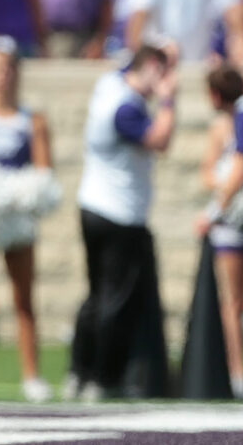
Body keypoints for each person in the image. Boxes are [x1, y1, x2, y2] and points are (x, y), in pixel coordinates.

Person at [69, 45, 176, 399]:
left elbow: (123, 66)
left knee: (97, 295)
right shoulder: (126, 106)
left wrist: (163, 54)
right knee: (116, 301)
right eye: (161, 71)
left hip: (93, 205)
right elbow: (160, 139)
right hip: (119, 213)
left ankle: (79, 371)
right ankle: (103, 378)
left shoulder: (108, 86)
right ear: (147, 68)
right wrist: (168, 100)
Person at [196, 64, 243, 401]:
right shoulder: (222, 127)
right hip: (233, 222)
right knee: (234, 301)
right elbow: (208, 173)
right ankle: (238, 377)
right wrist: (226, 190)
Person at [0, 37, 54, 402]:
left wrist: (19, 195)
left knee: (23, 298)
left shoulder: (31, 120)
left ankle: (32, 376)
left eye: (7, 68)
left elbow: (44, 172)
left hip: (17, 221)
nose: (1, 76)